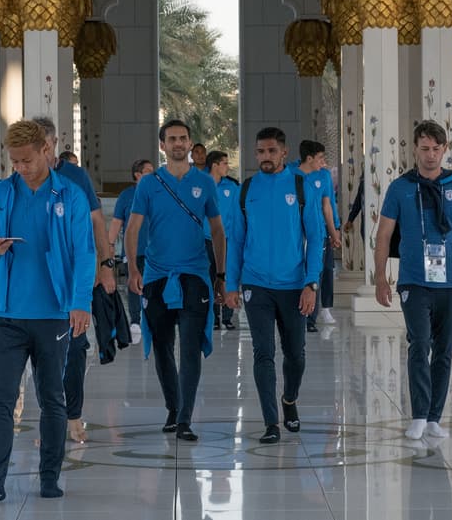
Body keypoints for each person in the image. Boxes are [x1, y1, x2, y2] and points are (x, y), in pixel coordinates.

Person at [0, 120, 95, 503]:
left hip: (53, 313)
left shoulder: (69, 195)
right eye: (15, 162)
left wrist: (80, 303)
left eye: (27, 160)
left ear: (46, 150)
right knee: (1, 399)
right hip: (8, 313)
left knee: (51, 398)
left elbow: (83, 252)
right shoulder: (2, 193)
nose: (21, 168)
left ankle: (49, 478)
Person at [374, 120, 452, 441]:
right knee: (419, 344)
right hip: (414, 279)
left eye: (436, 149)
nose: (430, 156)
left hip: (451, 279)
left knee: (444, 350)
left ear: (445, 149)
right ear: (414, 149)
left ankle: (436, 416)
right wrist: (381, 278)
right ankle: (420, 414)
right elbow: (383, 235)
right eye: (424, 149)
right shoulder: (401, 187)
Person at [125, 119, 227, 442]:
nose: (178, 143)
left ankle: (185, 418)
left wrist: (221, 275)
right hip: (157, 275)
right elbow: (132, 229)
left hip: (195, 275)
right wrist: (132, 269)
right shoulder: (149, 184)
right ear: (162, 145)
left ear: (191, 143)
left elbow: (218, 230)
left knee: (191, 348)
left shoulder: (205, 183)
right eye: (172, 139)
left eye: (183, 138)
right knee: (163, 347)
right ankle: (173, 406)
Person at [224, 128, 325, 443]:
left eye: (271, 151)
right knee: (262, 353)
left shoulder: (301, 186)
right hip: (257, 285)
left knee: (296, 354)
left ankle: (289, 400)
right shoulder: (247, 189)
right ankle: (271, 423)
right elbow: (236, 240)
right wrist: (231, 283)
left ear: (284, 153)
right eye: (260, 152)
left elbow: (316, 237)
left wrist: (311, 283)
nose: (264, 157)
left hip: (294, 284)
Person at [31, 116, 117, 444]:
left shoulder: (74, 177)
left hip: (74, 282)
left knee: (75, 349)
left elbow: (97, 224)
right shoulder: (22, 180)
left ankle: (73, 415)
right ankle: (51, 418)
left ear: (52, 145)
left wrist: (105, 265)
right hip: (38, 285)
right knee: (44, 353)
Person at [296, 140, 342, 331]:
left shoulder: (323, 176)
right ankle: (299, 311)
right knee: (300, 271)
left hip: (319, 232)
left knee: (319, 272)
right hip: (296, 233)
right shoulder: (290, 174)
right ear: (309, 158)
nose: (324, 162)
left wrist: (334, 232)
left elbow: (327, 206)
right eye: (320, 158)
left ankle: (312, 318)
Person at [108, 158, 154, 339]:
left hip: (155, 251)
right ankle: (135, 320)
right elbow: (117, 222)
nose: (154, 174)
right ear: (138, 175)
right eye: (149, 171)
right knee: (134, 284)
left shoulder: (158, 193)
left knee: (153, 286)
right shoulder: (126, 196)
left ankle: (151, 319)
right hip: (133, 250)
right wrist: (109, 246)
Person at [205, 150, 241, 329]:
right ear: (215, 165)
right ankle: (213, 318)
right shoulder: (201, 184)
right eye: (225, 163)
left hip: (228, 239)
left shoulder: (232, 187)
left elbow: (238, 212)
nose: (228, 166)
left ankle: (227, 315)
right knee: (210, 277)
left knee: (227, 275)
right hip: (205, 239)